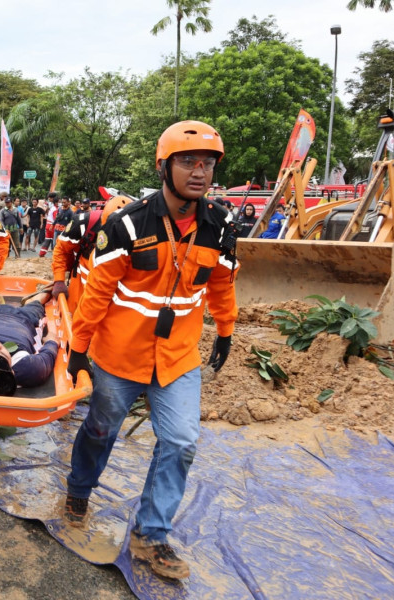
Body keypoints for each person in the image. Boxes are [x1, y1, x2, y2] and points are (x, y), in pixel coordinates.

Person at [63, 121, 238, 581]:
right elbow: (97, 293)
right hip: (119, 356)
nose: (199, 172)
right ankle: (79, 490)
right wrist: (78, 350)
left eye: (207, 164)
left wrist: (226, 329)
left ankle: (151, 534)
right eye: (188, 162)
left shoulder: (219, 227)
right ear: (164, 166)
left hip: (178, 356)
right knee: (100, 430)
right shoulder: (125, 224)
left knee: (180, 441)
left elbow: (221, 282)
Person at [51, 195, 131, 314]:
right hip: (83, 273)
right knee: (74, 312)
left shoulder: (138, 231)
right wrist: (59, 280)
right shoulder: (82, 223)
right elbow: (61, 249)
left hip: (112, 279)